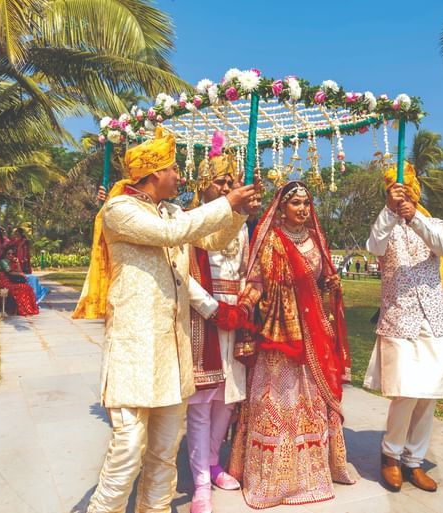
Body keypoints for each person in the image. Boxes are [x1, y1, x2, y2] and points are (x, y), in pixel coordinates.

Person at [73, 126, 261, 513]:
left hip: (172, 352)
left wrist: (238, 213)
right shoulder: (120, 210)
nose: (180, 176)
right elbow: (172, 232)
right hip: (134, 348)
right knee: (127, 448)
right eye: (174, 168)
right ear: (155, 173)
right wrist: (226, 202)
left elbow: (213, 240)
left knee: (163, 449)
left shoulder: (170, 210)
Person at [228, 181, 356, 509]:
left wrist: (331, 284)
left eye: (306, 203)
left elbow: (321, 279)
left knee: (312, 403)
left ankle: (315, 471)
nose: (302, 209)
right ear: (281, 207)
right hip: (279, 335)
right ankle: (272, 477)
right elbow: (255, 281)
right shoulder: (271, 239)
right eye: (295, 203)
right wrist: (243, 306)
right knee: (279, 402)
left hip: (313, 335)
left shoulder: (316, 240)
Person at [364, 162, 443, 493]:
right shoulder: (385, 224)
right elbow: (374, 247)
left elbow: (442, 246)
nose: (402, 198)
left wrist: (414, 216)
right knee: (406, 390)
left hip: (434, 317)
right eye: (397, 193)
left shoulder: (432, 221)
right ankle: (391, 456)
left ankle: (414, 460)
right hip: (399, 316)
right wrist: (390, 211)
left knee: (430, 392)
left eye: (407, 192)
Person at [184, 132, 251, 513]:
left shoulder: (240, 224)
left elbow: (246, 270)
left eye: (230, 181)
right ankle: (200, 485)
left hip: (235, 316)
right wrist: (213, 309)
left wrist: (244, 301)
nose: (226, 187)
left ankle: (213, 461)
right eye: (219, 181)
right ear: (202, 184)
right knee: (201, 402)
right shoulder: (190, 220)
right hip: (202, 318)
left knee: (228, 397)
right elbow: (183, 275)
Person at [0, 246, 40, 316]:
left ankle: (28, 308)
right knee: (23, 287)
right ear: (5, 254)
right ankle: (23, 309)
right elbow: (9, 272)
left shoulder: (12, 261)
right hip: (5, 283)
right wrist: (21, 274)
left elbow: (19, 270)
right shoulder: (3, 261)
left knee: (27, 287)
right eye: (8, 253)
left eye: (12, 254)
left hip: (11, 281)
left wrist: (17, 263)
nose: (10, 255)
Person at [11, 227, 48, 304]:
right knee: (27, 278)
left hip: (23, 261)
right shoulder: (14, 241)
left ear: (20, 233)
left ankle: (34, 296)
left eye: (16, 232)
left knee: (28, 278)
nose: (15, 234)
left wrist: (25, 259)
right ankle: (32, 296)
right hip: (16, 261)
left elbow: (26, 251)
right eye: (15, 233)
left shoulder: (25, 241)